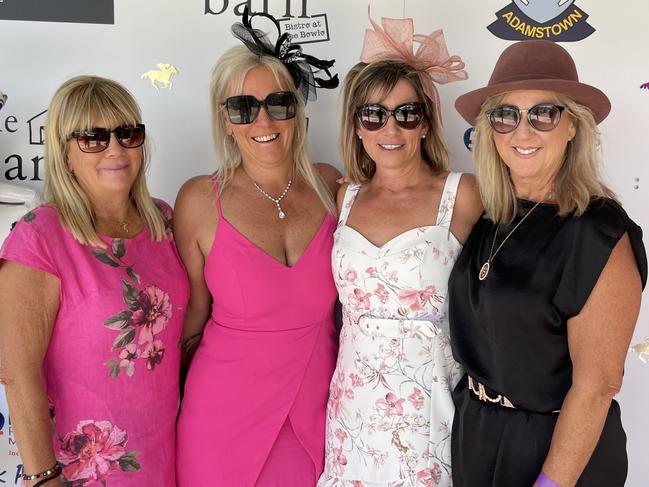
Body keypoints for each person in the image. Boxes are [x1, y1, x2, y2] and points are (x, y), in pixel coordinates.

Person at [450, 40, 647, 487]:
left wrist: (551, 483)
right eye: (506, 115)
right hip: (477, 435)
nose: (523, 132)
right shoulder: (492, 213)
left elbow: (597, 387)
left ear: (573, 126)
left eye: (543, 114)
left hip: (554, 451)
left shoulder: (598, 233)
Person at [174, 8, 341, 487]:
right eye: (243, 107)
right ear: (225, 120)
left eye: (279, 103)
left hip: (322, 408)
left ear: (298, 111)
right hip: (222, 414)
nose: (262, 120)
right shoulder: (199, 201)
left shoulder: (334, 187)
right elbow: (192, 318)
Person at [317, 13, 482, 487]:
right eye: (374, 114)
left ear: (426, 124)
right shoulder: (340, 196)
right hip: (353, 403)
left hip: (433, 402)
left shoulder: (462, 195)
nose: (391, 129)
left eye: (407, 113)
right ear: (357, 126)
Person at [0, 76, 189, 486]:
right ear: (64, 153)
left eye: (127, 134)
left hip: (168, 456)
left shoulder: (165, 221)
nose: (115, 149)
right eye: (93, 138)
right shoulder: (39, 236)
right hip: (82, 471)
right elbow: (17, 370)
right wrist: (43, 477)